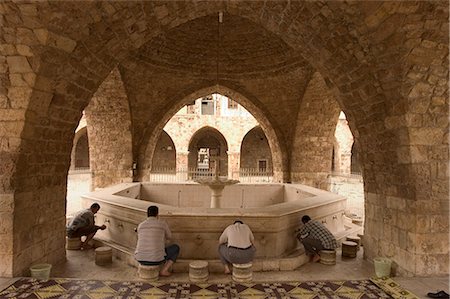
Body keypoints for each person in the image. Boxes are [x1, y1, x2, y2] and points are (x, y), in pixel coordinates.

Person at [135, 205, 180, 277]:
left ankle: (139, 268)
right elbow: (169, 237)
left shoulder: (140, 225)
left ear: (147, 214)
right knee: (176, 248)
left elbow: (139, 238)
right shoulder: (162, 224)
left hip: (140, 259)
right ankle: (164, 270)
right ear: (157, 214)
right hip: (156, 259)